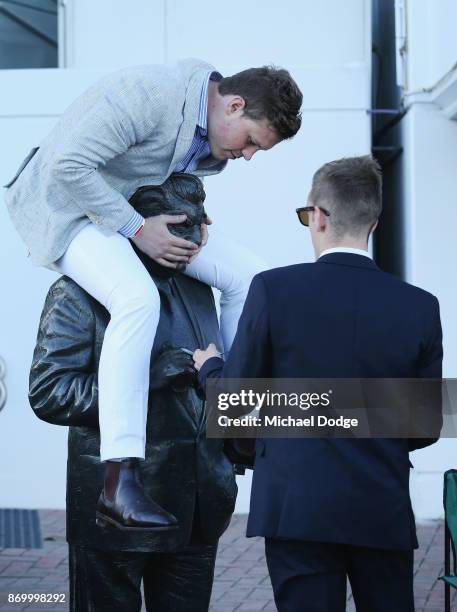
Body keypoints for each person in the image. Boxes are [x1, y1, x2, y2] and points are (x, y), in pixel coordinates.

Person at [3, 59, 302, 529]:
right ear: (235, 105)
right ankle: (118, 481)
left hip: (132, 209)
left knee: (251, 277)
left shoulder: (213, 129)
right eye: (250, 143)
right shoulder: (148, 94)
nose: (248, 157)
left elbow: (156, 174)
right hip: (66, 208)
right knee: (135, 298)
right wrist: (138, 229)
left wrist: (190, 219)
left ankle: (231, 414)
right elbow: (68, 166)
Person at [194, 156, 443, 612]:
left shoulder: (273, 290)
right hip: (380, 503)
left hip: (296, 503)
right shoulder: (420, 306)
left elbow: (235, 407)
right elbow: (424, 425)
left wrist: (210, 368)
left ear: (320, 216)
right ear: (374, 221)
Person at [29, 173, 238, 611]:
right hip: (115, 513)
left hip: (199, 506)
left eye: (197, 227)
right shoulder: (78, 292)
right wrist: (149, 378)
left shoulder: (199, 286)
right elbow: (49, 392)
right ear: (143, 226)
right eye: (179, 227)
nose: (192, 241)